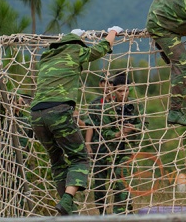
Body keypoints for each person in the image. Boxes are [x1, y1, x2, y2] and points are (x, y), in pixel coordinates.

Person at [30, 27, 120, 216]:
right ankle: (68, 199)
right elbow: (102, 47)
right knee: (79, 158)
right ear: (78, 43)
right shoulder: (76, 50)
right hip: (59, 111)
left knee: (56, 160)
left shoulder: (46, 56)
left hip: (36, 114)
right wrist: (112, 32)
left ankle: (67, 208)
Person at [85, 73, 144, 214]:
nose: (123, 94)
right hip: (103, 149)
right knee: (99, 187)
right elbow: (101, 130)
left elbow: (143, 126)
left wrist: (133, 129)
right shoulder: (104, 106)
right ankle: (103, 214)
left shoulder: (135, 106)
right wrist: (118, 133)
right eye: (120, 91)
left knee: (121, 185)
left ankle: (122, 214)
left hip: (125, 151)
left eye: (126, 90)